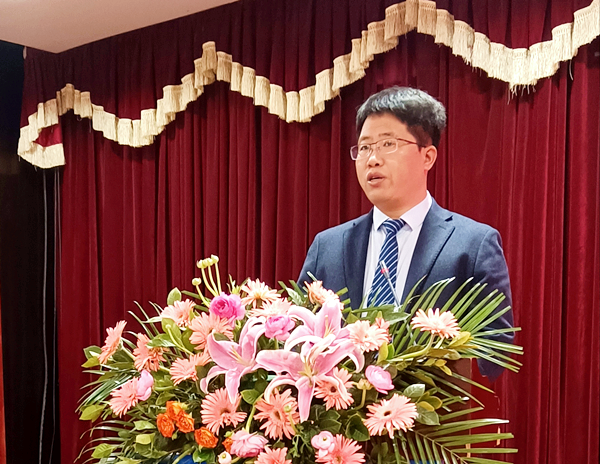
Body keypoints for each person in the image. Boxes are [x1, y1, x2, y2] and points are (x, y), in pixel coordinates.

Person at [298, 86, 513, 380]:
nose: (372, 159)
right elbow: (298, 333)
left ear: (428, 156)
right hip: (339, 403)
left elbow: (496, 349)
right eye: (364, 147)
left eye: (387, 144)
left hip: (434, 407)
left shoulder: (472, 245)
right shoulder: (328, 247)